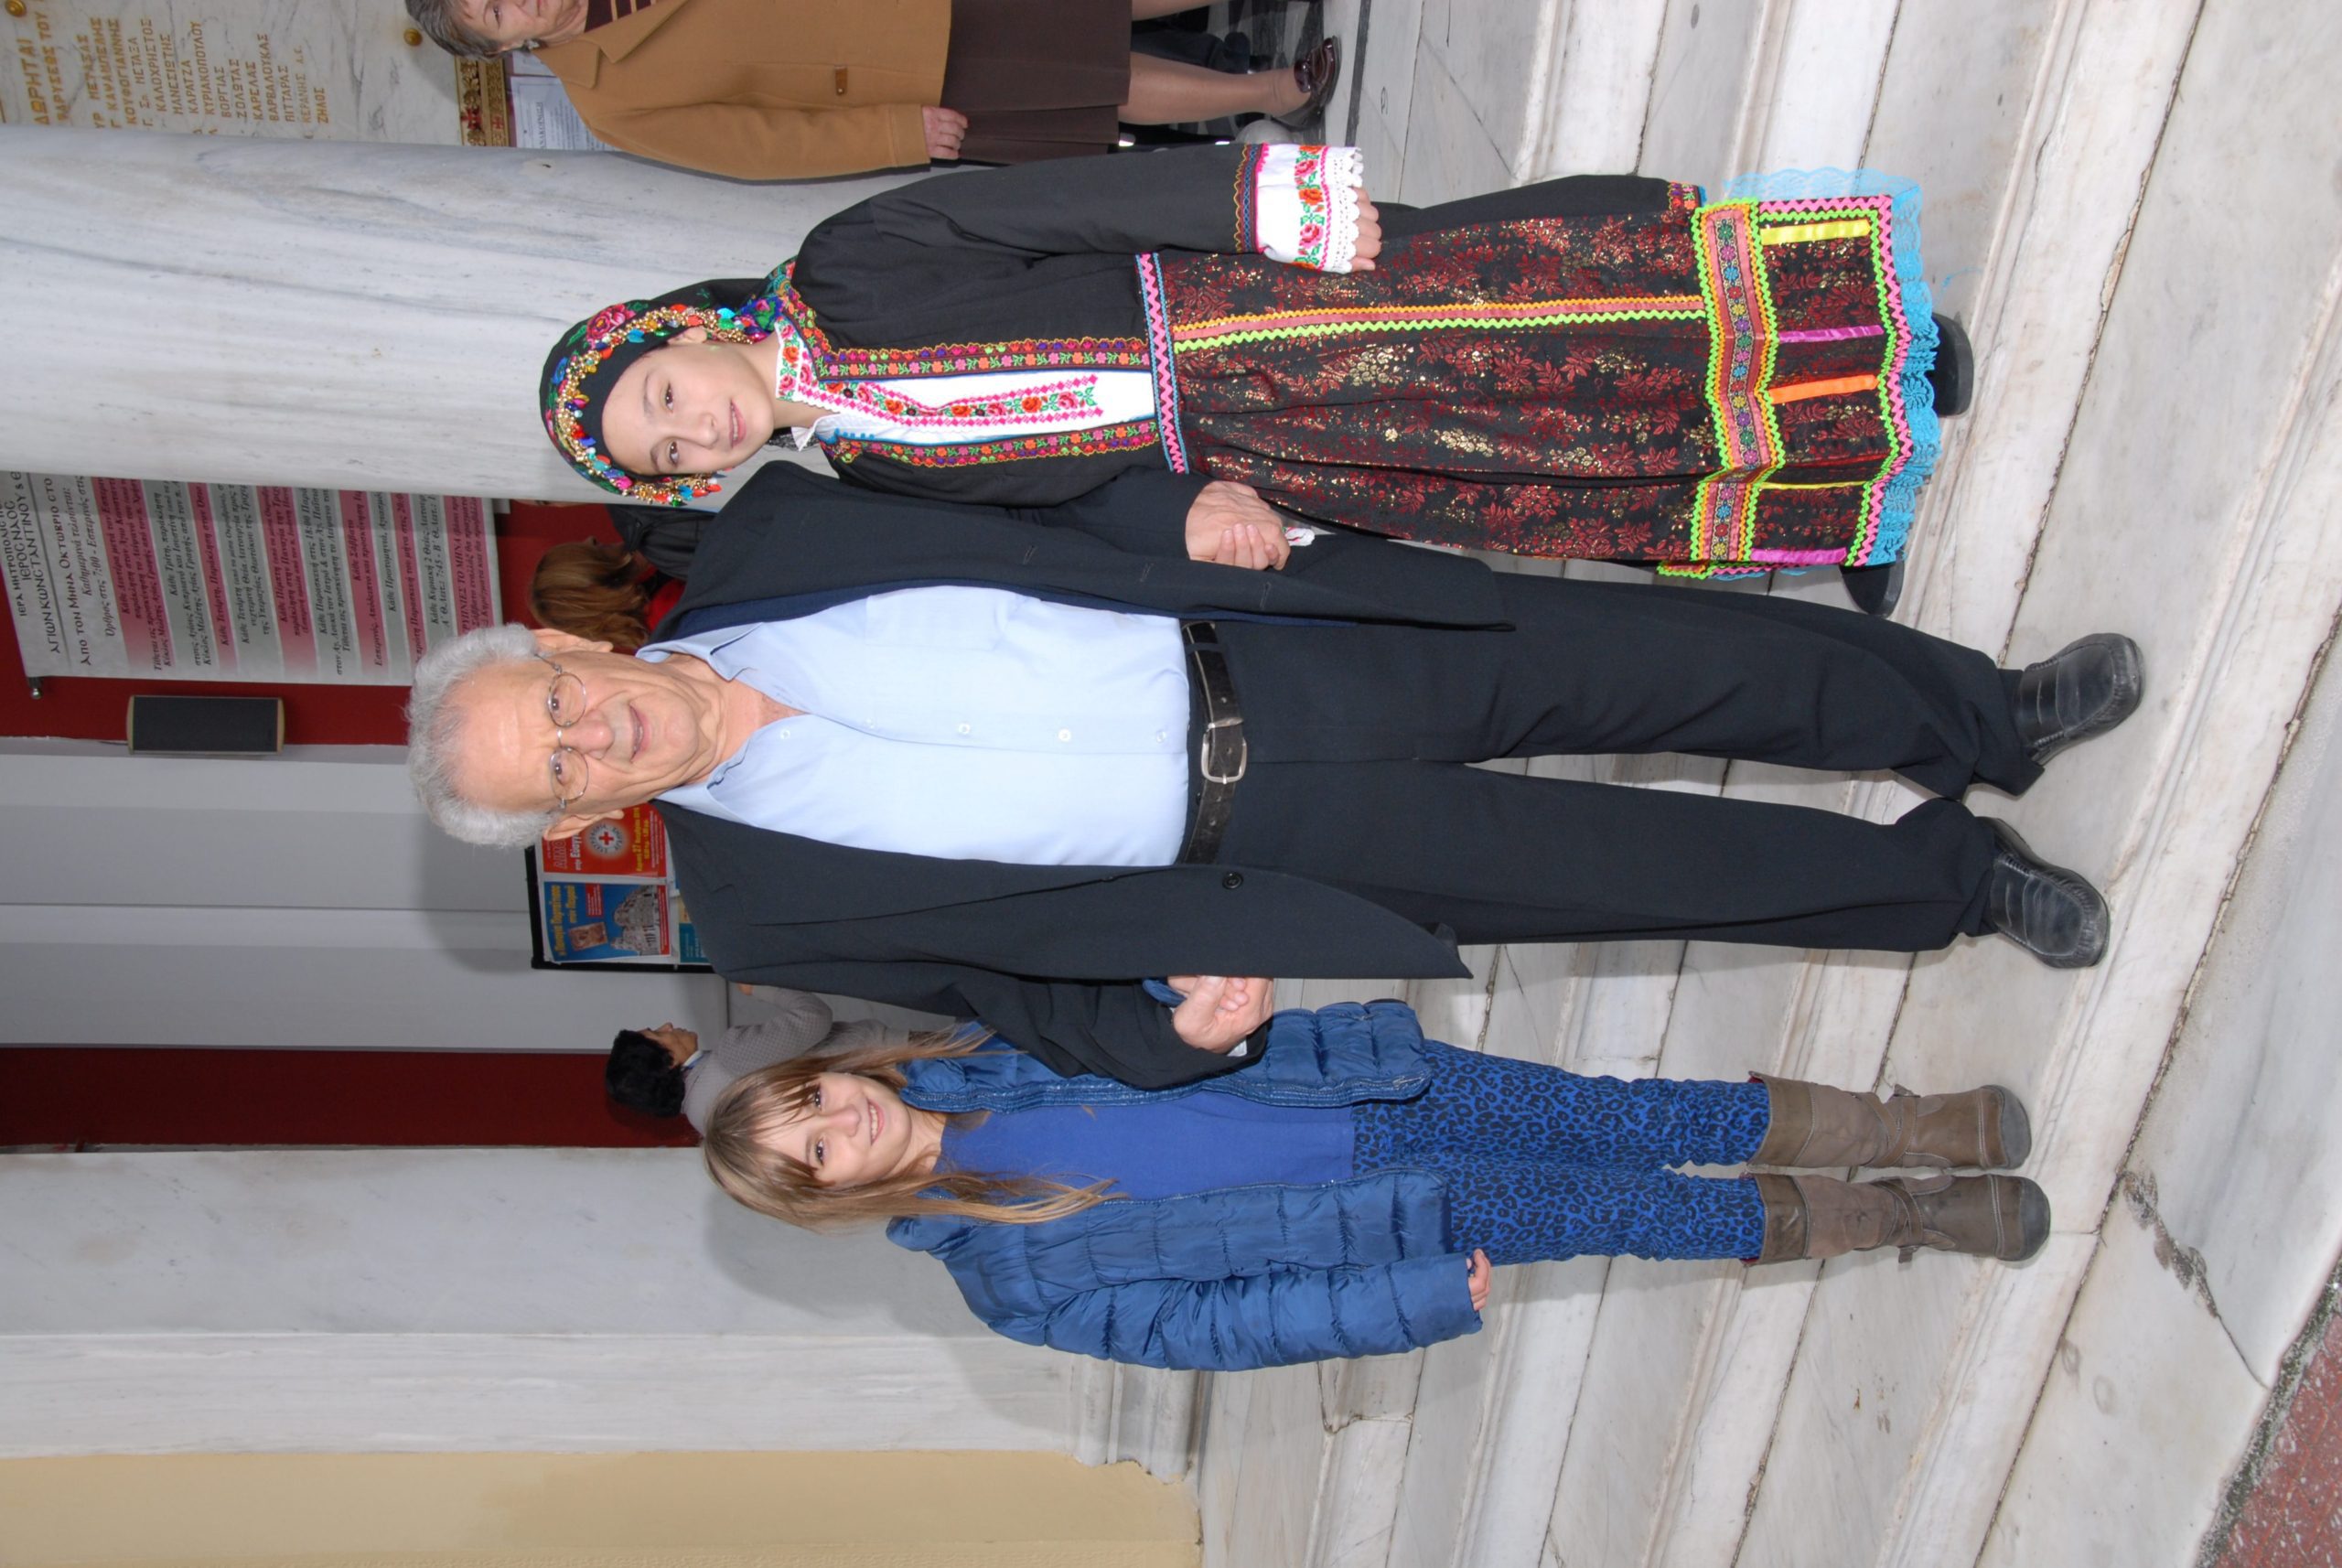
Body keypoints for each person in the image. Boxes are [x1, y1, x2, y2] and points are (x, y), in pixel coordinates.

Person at [403, 457, 2142, 1088]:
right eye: (557, 769)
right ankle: (1959, 886)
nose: (587, 733)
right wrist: (1175, 1039)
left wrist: (1184, 506)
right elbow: (1004, 993)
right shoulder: (760, 911)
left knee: (1684, 661)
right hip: (1288, 846)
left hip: (1288, 636)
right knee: (1664, 872)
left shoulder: (778, 528)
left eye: (555, 702)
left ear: (565, 645)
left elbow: (1033, 479)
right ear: (581, 816)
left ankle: (1987, 718)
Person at [538, 145, 1968, 587]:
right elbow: (1061, 499)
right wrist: (1186, 512)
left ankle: (1871, 334)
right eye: (673, 453)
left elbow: (1049, 206)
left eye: (666, 395)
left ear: (685, 331)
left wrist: (1251, 206)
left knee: (1567, 311)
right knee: (1537, 461)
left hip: (1249, 309)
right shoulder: (863, 463)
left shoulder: (846, 265)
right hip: (1262, 445)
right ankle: (1828, 461)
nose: (696, 427)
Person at [699, 998, 2048, 1369]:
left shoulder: (993, 1039)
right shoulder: (1009, 1280)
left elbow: (1148, 993)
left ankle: (1904, 1126)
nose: (843, 1121)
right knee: (1637, 1209)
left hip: (1370, 1088)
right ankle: (1903, 1215)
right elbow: (1217, 1327)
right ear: (825, 1196)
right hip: (1390, 1214)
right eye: (817, 1150)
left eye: (815, 1098)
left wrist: (1196, 984)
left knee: (1622, 1115)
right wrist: (1406, 1298)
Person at [403, 0, 1341, 178]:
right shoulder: (608, 97)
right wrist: (894, 135)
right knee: (1093, 79)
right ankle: (1273, 90)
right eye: (494, 12)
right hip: (893, 71)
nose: (518, 0)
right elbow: (755, 145)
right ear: (505, 46)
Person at [603, 988, 886, 1130]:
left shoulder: (708, 1125)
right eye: (657, 1034)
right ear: (668, 1061)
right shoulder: (729, 1060)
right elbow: (813, 1018)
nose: (667, 1026)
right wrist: (762, 989)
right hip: (883, 1063)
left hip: (862, 1124)